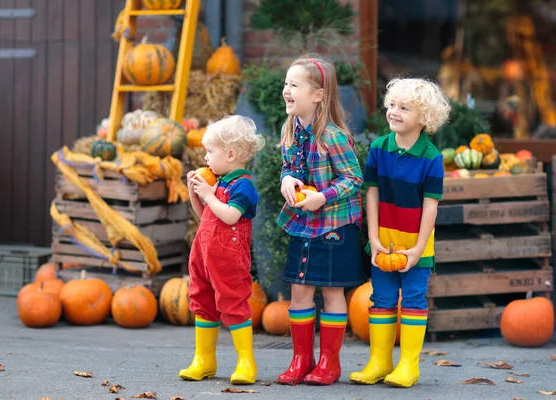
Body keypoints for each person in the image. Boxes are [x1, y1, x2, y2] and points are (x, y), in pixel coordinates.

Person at [349, 77, 451, 388]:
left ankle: (409, 364)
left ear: (425, 118)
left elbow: (431, 207)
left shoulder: (432, 158)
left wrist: (419, 249)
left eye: (404, 108)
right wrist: (374, 239)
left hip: (416, 245)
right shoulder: (379, 149)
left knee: (414, 299)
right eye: (392, 105)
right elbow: (371, 194)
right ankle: (380, 361)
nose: (394, 112)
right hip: (384, 241)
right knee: (381, 297)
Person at [277, 55, 366, 386]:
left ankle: (330, 362)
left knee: (331, 290)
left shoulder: (332, 136)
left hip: (333, 225)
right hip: (303, 221)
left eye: (294, 85)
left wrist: (322, 197)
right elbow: (288, 166)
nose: (286, 90)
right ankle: (301, 359)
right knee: (299, 289)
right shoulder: (292, 129)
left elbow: (353, 178)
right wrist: (287, 180)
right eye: (285, 84)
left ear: (318, 95)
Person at [179, 115, 265, 385]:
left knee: (233, 302)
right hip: (204, 254)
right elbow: (206, 215)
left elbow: (229, 216)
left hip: (228, 257)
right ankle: (204, 359)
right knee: (202, 300)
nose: (205, 158)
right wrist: (197, 194)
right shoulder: (221, 182)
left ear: (230, 154)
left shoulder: (243, 186)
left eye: (210, 151)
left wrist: (208, 194)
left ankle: (245, 362)